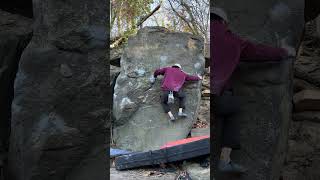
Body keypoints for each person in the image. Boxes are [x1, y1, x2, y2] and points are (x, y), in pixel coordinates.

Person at [211, 7, 295, 174]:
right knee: (233, 107)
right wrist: (285, 51)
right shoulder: (231, 40)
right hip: (216, 94)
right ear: (223, 22)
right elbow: (259, 52)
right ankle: (225, 159)